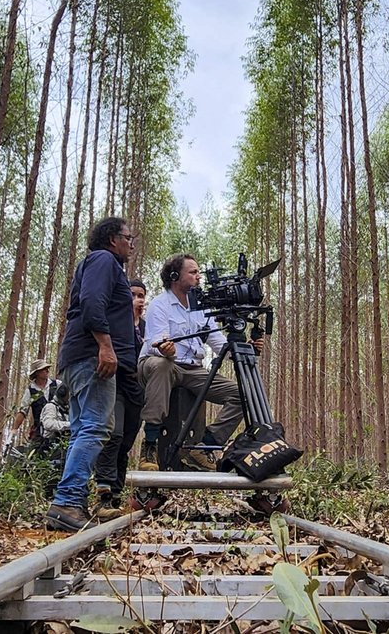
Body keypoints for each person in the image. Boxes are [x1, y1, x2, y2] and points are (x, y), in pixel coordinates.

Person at [44, 217, 139, 532]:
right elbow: (91, 303)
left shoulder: (101, 264)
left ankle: (70, 501)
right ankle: (68, 501)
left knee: (84, 428)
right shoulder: (103, 260)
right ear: (113, 239)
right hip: (90, 357)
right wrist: (105, 347)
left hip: (79, 356)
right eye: (128, 237)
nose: (131, 243)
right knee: (96, 428)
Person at [137, 254, 264, 472]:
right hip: (157, 363)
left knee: (242, 393)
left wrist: (244, 350)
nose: (199, 277)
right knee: (162, 365)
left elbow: (217, 341)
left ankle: (204, 446)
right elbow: (154, 343)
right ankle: (149, 446)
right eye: (193, 272)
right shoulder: (160, 304)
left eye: (198, 272)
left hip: (192, 369)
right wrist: (165, 349)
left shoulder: (202, 307)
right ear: (176, 276)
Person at [92, 279, 148, 519]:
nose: (138, 299)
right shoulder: (114, 322)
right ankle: (102, 494)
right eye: (133, 294)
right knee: (113, 435)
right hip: (116, 382)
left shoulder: (149, 327)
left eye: (142, 295)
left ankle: (116, 493)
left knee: (126, 442)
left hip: (138, 388)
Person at [12, 359, 60, 451]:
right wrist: (14, 430)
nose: (47, 371)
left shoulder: (57, 384)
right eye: (44, 369)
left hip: (59, 428)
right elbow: (23, 411)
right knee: (36, 453)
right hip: (40, 430)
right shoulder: (30, 391)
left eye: (47, 368)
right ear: (37, 373)